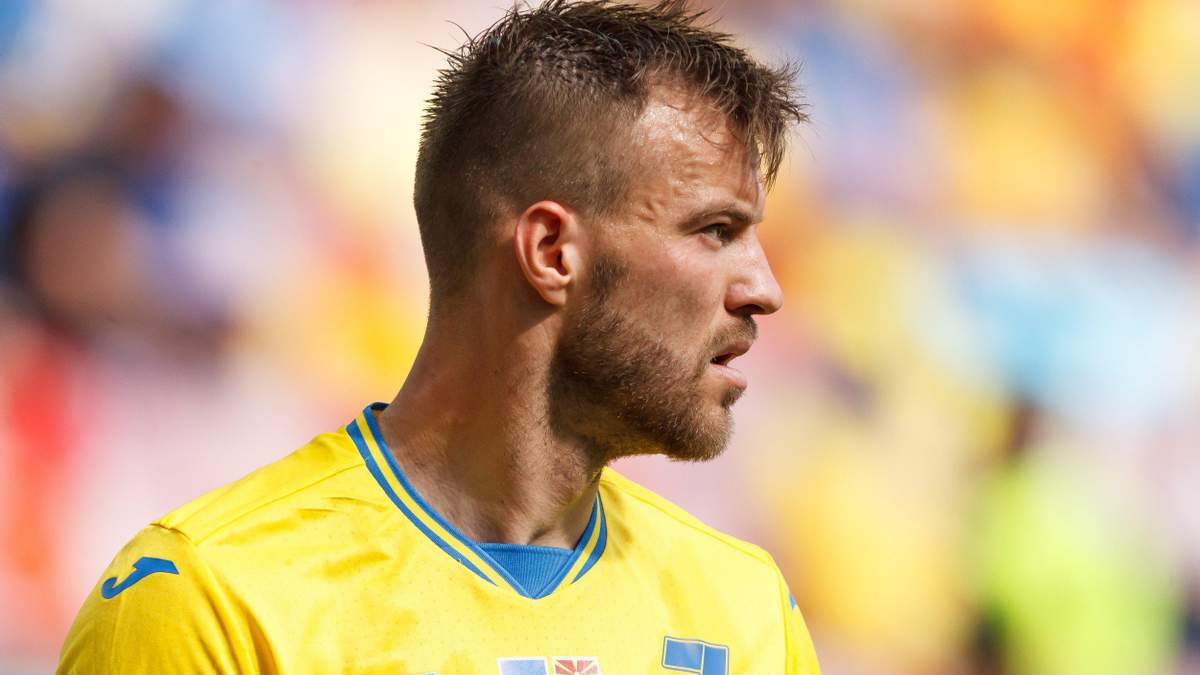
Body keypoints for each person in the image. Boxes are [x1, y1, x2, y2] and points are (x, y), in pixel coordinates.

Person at [57, 1, 819, 673]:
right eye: (716, 231)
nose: (764, 288)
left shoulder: (745, 611)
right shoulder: (214, 599)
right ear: (552, 252)